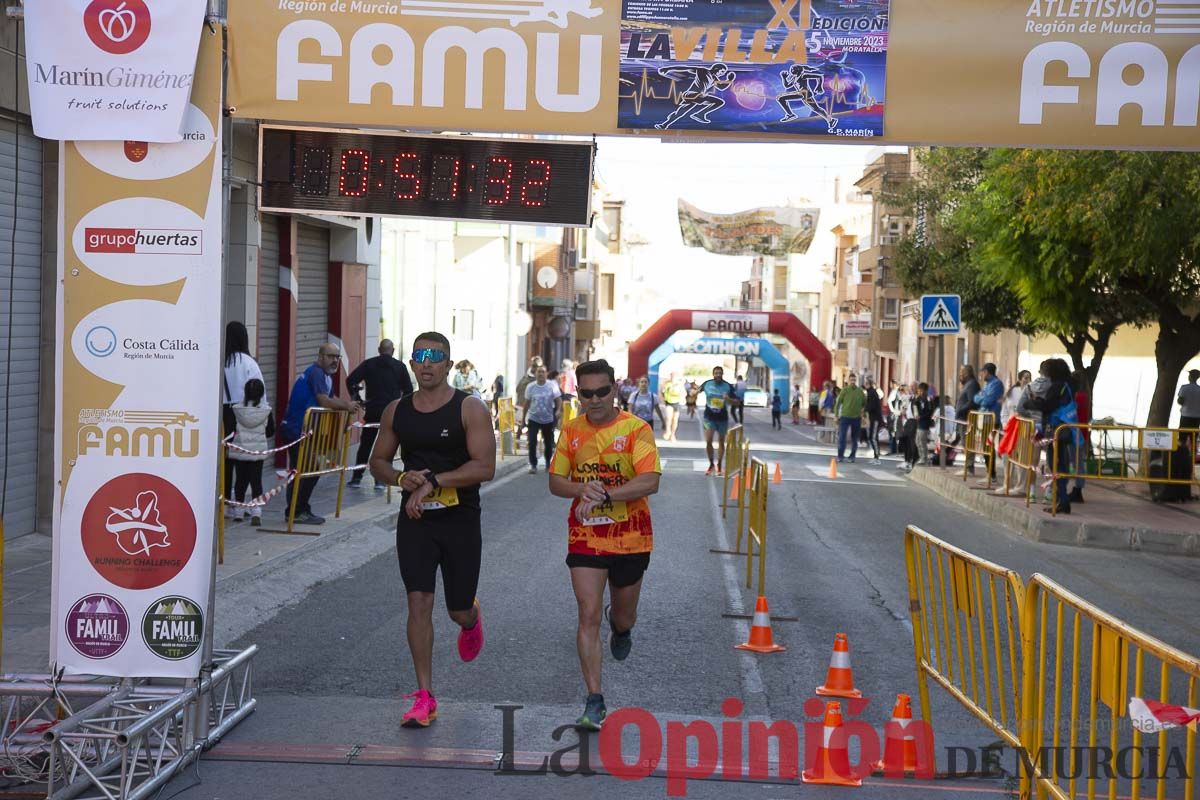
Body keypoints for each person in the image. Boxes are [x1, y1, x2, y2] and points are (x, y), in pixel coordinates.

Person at [368, 332, 497, 728]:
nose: (426, 363)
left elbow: (484, 467)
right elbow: (378, 462)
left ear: (448, 363)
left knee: (455, 609)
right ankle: (424, 695)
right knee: (418, 602)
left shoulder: (469, 408)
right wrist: (401, 477)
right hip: (416, 520)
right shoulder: (397, 410)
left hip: (459, 520)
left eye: (434, 356)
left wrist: (434, 481)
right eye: (419, 356)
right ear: (410, 363)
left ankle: (471, 618)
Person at [548, 359, 661, 731]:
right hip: (586, 535)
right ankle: (594, 699)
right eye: (586, 393)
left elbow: (650, 481)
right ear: (578, 393)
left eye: (601, 391)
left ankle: (622, 626)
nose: (594, 400)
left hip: (631, 537)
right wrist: (581, 489)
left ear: (614, 390)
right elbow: (555, 482)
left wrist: (607, 493)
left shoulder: (636, 429)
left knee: (621, 616)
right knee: (587, 613)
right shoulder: (571, 431)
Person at [281, 343, 362, 525]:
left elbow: (331, 398)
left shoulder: (325, 377)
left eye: (337, 357)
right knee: (308, 469)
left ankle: (298, 509)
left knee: (305, 469)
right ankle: (296, 511)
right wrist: (347, 406)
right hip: (296, 430)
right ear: (321, 357)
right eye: (331, 356)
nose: (335, 360)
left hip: (304, 431)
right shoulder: (316, 372)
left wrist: (348, 406)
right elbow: (324, 400)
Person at [346, 339, 414, 489]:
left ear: (379, 349)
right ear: (393, 350)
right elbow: (409, 391)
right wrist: (401, 407)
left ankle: (357, 478)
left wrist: (357, 399)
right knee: (387, 448)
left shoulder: (369, 364)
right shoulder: (399, 367)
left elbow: (350, 380)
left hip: (373, 411)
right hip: (391, 414)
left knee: (365, 445)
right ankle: (381, 481)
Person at [1024, 359, 1079, 514]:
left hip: (1056, 430)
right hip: (1063, 429)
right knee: (1060, 465)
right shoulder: (1069, 384)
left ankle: (1063, 501)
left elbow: (1048, 406)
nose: (1044, 374)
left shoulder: (1057, 386)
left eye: (1046, 371)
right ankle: (1061, 500)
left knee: (1055, 465)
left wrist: (1031, 403)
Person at [222, 322, 264, 513]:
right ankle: (242, 505)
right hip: (243, 414)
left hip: (223, 414)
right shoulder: (248, 363)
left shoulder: (220, 361)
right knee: (243, 458)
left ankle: (226, 500)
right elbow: (261, 392)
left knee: (225, 460)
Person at [228, 378, 275, 526]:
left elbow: (230, 429)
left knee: (240, 482)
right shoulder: (266, 411)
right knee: (256, 481)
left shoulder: (236, 410)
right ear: (261, 394)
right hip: (257, 452)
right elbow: (270, 431)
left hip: (240, 451)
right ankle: (256, 512)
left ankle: (239, 512)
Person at [698, 366, 738, 475]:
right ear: (713, 374)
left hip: (722, 418)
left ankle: (719, 464)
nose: (718, 375)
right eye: (716, 373)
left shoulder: (728, 386)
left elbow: (737, 402)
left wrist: (728, 399)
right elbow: (697, 390)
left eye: (720, 373)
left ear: (722, 374)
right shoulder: (707, 384)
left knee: (721, 441)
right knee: (709, 440)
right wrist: (693, 393)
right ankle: (711, 464)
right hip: (709, 417)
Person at [523, 365, 562, 474]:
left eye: (543, 372)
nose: (541, 374)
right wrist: (523, 420)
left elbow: (559, 400)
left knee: (548, 443)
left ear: (546, 374)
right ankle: (533, 465)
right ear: (535, 374)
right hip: (533, 418)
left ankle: (548, 464)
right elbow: (526, 404)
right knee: (532, 442)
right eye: (539, 372)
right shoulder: (530, 387)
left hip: (548, 419)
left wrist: (558, 410)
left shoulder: (552, 385)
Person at [973, 363, 1005, 481]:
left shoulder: (996, 384)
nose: (981, 375)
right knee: (985, 446)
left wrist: (982, 397)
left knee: (988, 446)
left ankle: (991, 475)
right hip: (984, 418)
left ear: (987, 372)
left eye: (983, 372)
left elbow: (987, 400)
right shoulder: (988, 384)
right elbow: (976, 398)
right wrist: (982, 397)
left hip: (991, 419)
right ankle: (989, 473)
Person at [834, 373, 866, 463]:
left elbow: (864, 404)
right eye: (851, 380)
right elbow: (838, 403)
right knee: (842, 437)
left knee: (855, 438)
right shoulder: (844, 390)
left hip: (856, 418)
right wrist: (836, 416)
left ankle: (852, 456)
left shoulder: (860, 391)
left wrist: (864, 416)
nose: (853, 382)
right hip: (845, 417)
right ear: (848, 381)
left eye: (854, 380)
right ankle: (840, 456)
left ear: (856, 381)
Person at [863, 377, 884, 463]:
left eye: (866, 384)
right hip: (873, 417)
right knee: (872, 437)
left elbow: (871, 406)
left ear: (869, 384)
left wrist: (864, 410)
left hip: (875, 418)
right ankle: (875, 455)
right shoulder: (871, 392)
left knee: (873, 437)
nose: (865, 385)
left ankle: (877, 456)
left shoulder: (872, 393)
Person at [661, 373, 683, 441]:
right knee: (668, 417)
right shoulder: (667, 384)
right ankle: (668, 431)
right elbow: (662, 391)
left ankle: (673, 434)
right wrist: (663, 398)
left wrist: (682, 397)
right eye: (671, 376)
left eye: (674, 376)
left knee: (675, 420)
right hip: (669, 402)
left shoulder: (680, 384)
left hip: (676, 403)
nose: (672, 377)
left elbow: (684, 392)